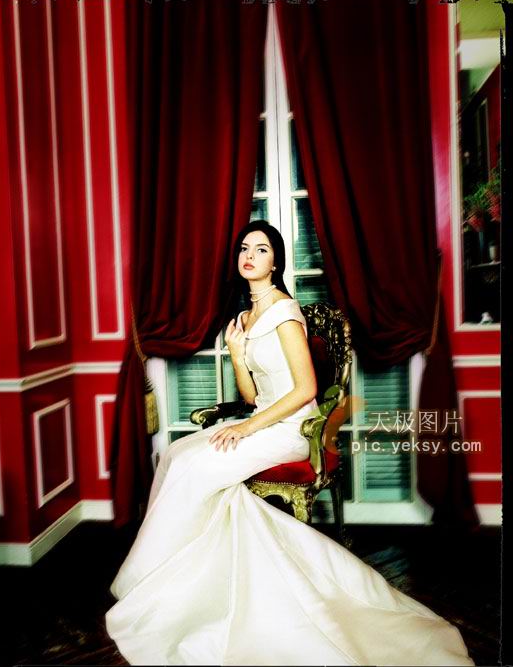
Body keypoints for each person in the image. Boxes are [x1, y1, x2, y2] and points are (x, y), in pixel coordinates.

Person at [105, 220, 474, 666]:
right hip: (263, 420)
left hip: (291, 430)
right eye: (245, 248)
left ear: (276, 262)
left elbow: (306, 390)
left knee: (194, 467)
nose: (249, 256)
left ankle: (173, 587)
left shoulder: (284, 311)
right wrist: (237, 354)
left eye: (261, 249)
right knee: (176, 454)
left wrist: (247, 429)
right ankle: (169, 581)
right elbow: (250, 396)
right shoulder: (244, 319)